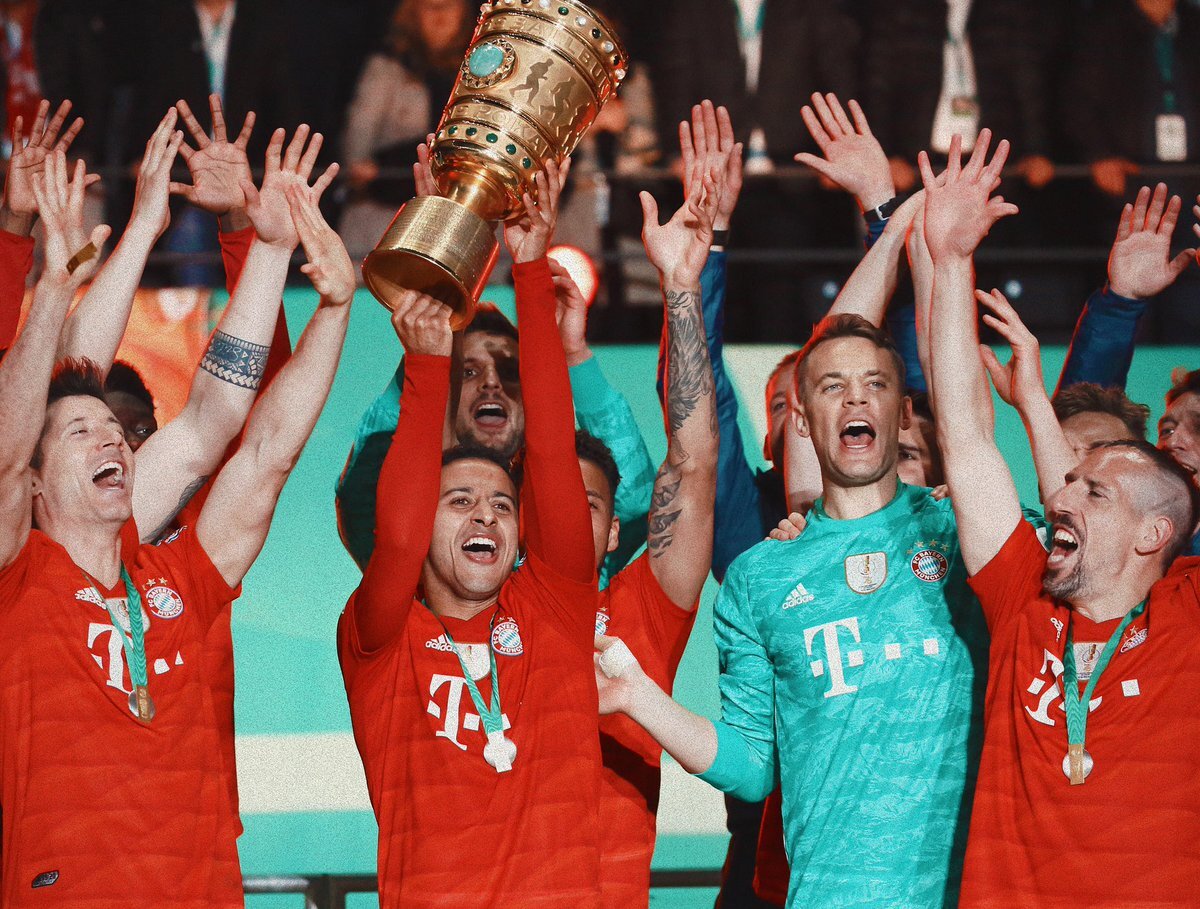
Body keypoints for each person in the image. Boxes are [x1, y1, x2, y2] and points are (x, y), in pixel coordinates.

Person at [0, 141, 353, 906]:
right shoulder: (15, 577)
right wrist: (54, 286)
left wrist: (300, 279)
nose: (112, 440)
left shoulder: (177, 578)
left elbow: (254, 447)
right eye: (81, 431)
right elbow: (7, 442)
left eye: (116, 430)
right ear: (33, 482)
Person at [598, 305, 989, 906]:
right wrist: (639, 698)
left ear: (904, 412)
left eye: (875, 384)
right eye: (834, 387)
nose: (856, 399)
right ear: (801, 420)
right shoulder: (761, 577)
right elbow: (754, 766)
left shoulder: (964, 535)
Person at [921, 126, 1200, 908]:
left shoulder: (1189, 613)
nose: (1061, 497)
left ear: (1154, 534)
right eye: (1071, 482)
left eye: (1095, 492)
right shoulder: (1023, 599)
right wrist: (950, 260)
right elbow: (966, 436)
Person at [339, 161, 610, 907]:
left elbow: (550, 453)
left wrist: (530, 268)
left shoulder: (553, 609)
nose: (486, 515)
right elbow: (397, 542)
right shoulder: (380, 639)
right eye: (458, 500)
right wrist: (428, 362)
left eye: (501, 505)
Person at [335, 149, 655, 584]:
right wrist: (426, 341)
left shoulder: (569, 534)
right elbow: (362, 490)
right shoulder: (411, 528)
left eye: (509, 372)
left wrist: (572, 352)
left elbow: (634, 498)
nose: (491, 384)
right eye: (467, 372)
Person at [593, 141, 720, 909]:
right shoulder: (485, 609)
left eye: (589, 505)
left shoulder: (641, 606)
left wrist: (680, 287)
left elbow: (692, 464)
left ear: (617, 531)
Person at [338, 0, 474, 258]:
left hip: (458, 214)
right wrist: (366, 168)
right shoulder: (387, 67)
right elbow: (359, 138)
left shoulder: (480, 68)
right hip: (387, 210)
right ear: (412, 12)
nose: (440, 15)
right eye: (430, 6)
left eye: (448, 5)